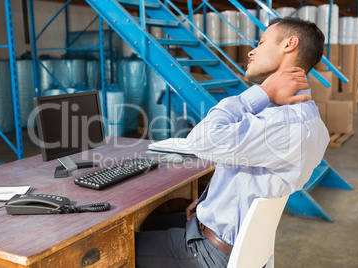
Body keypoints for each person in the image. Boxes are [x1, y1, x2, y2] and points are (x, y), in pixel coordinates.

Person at [135, 17, 330, 268]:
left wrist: (261, 92)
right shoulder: (306, 118)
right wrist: (207, 203)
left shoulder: (283, 123)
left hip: (208, 252)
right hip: (220, 234)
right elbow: (249, 173)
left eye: (261, 42)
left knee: (121, 246)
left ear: (289, 44)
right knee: (151, 222)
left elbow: (200, 140)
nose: (252, 50)